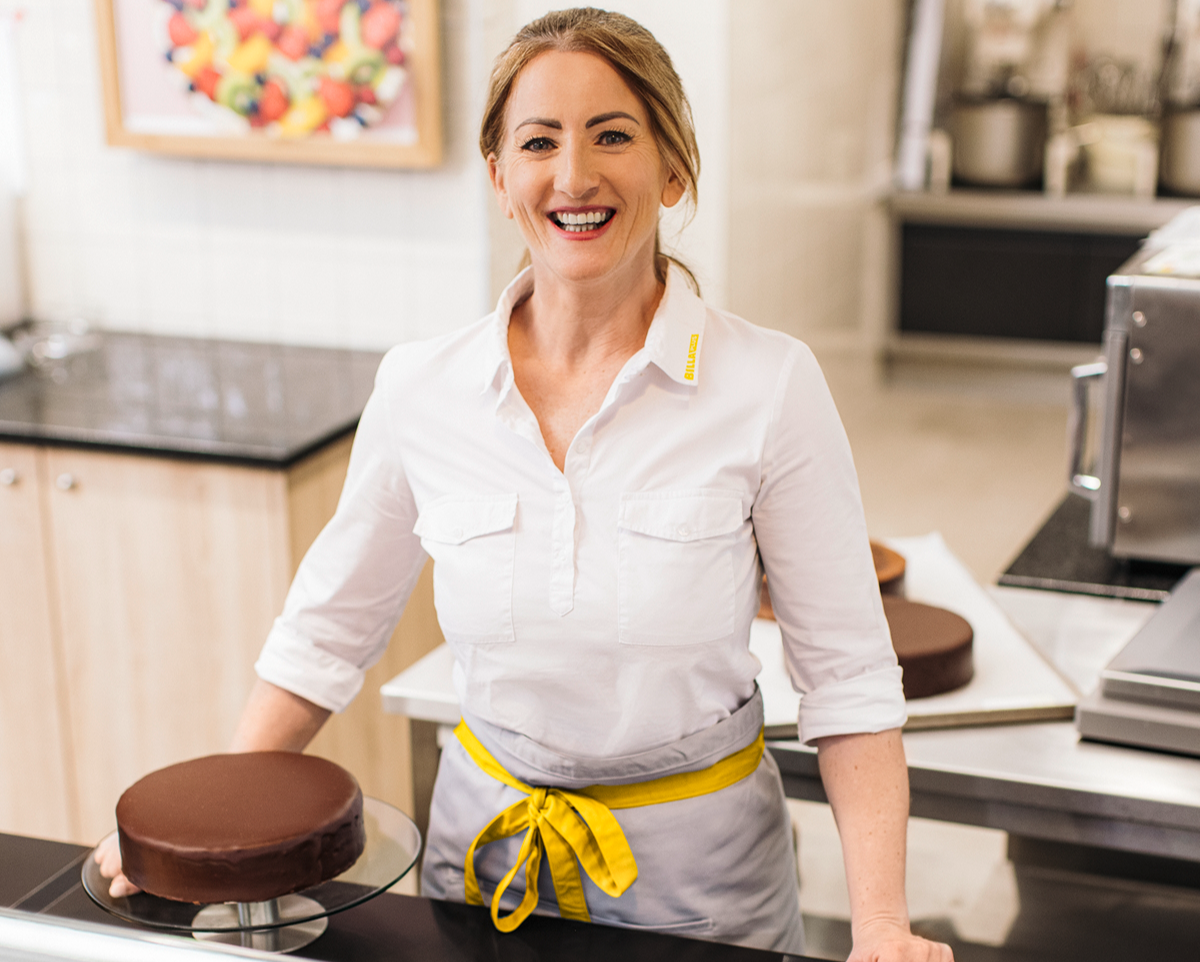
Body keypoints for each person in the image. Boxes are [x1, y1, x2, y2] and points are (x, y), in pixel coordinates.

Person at [99, 9, 952, 960]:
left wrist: (882, 925)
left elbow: (849, 679)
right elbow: (324, 633)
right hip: (482, 873)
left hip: (704, 892)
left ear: (674, 170)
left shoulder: (770, 384)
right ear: (501, 178)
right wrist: (201, 835)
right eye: (538, 141)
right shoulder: (422, 388)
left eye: (612, 135)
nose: (574, 176)